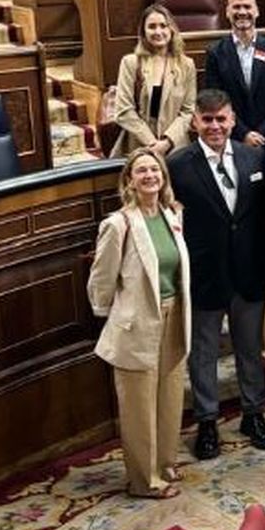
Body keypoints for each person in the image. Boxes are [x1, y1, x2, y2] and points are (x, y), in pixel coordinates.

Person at [167, 89, 265, 460]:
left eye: (221, 119)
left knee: (249, 348)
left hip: (249, 273)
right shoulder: (178, 164)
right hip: (205, 275)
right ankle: (208, 421)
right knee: (204, 352)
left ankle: (253, 413)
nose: (215, 126)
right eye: (207, 119)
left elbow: (264, 218)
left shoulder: (254, 156)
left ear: (232, 120)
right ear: (195, 121)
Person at [87, 148, 191, 498]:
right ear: (130, 180)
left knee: (170, 394)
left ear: (163, 177)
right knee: (138, 405)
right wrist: (108, 315)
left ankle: (165, 461)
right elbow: (101, 279)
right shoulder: (118, 224)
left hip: (174, 314)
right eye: (142, 171)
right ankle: (144, 480)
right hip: (137, 323)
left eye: (155, 170)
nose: (150, 176)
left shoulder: (171, 215)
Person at [203, 0, 265, 156]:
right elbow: (215, 99)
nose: (242, 12)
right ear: (227, 12)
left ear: (257, 11)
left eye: (247, 7)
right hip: (232, 138)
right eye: (236, 7)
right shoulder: (215, 53)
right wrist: (243, 133)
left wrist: (263, 131)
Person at [112, 3, 196, 157]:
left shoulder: (186, 65)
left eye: (163, 26)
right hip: (139, 146)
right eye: (152, 26)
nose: (158, 31)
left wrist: (167, 142)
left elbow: (188, 110)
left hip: (175, 147)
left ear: (171, 29)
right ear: (143, 32)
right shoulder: (131, 62)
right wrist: (152, 143)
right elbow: (123, 110)